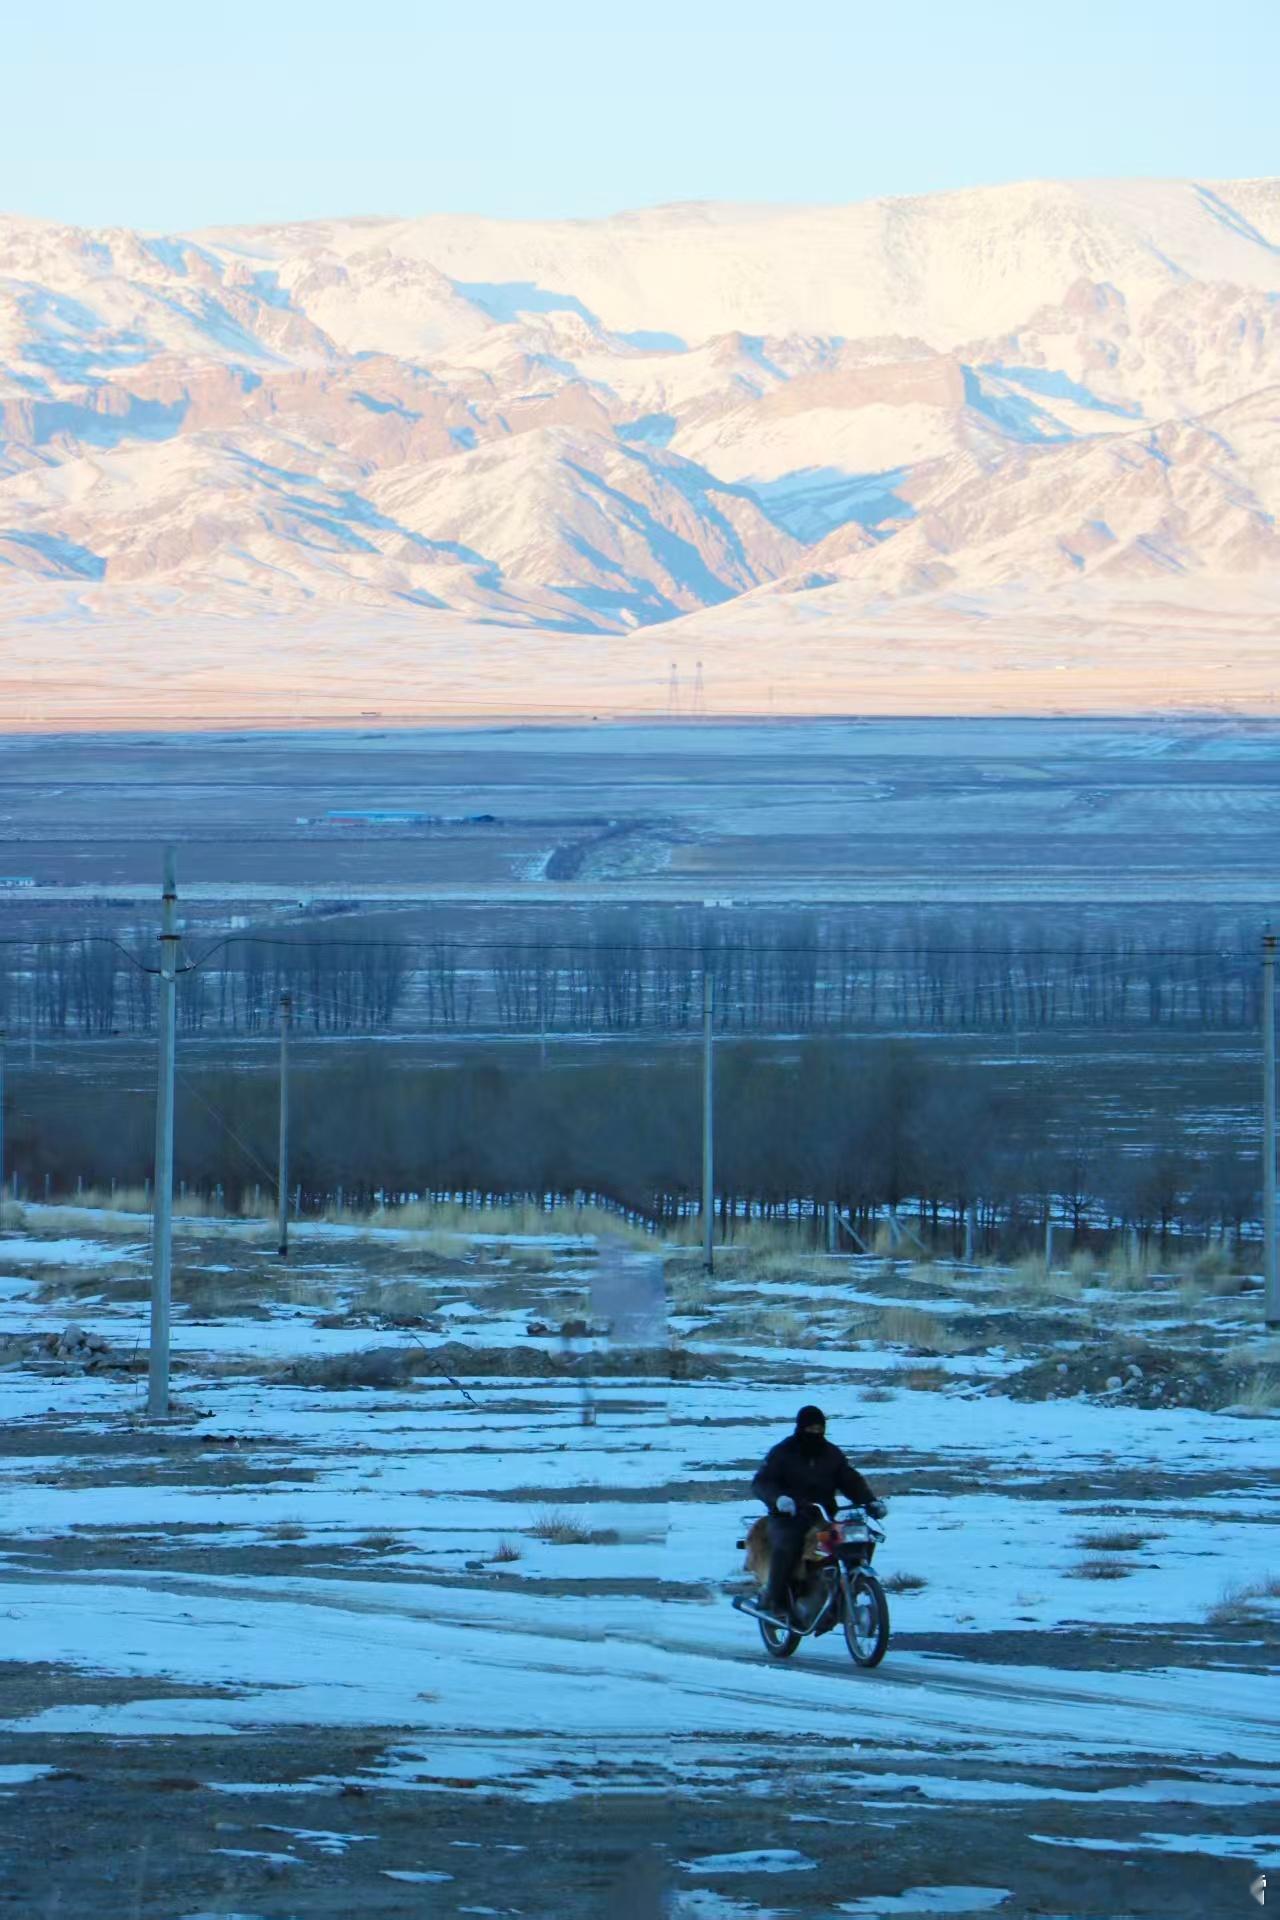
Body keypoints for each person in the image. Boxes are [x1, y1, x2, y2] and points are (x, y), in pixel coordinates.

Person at [747, 1405, 886, 1619]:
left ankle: (851, 1586)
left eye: (819, 1429)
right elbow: (762, 1482)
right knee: (789, 1543)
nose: (815, 1433)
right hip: (787, 1516)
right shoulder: (783, 1452)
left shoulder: (831, 1454)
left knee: (859, 1538)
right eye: (810, 1429)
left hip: (825, 1515)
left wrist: (870, 1502)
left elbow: (850, 1480)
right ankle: (775, 1599)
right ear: (800, 1428)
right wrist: (779, 1499)